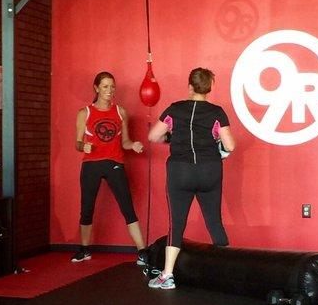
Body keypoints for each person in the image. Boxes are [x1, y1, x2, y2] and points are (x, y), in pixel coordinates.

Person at [147, 67, 235, 289]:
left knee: (176, 224)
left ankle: (167, 275)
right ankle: (228, 273)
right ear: (209, 88)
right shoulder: (217, 111)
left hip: (181, 172)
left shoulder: (175, 109)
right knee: (215, 222)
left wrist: (173, 138)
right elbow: (230, 145)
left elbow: (153, 135)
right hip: (209, 172)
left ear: (189, 86)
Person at [71, 71, 147, 265]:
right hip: (91, 165)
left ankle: (142, 251)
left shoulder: (120, 112)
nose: (109, 90)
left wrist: (134, 145)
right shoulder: (84, 112)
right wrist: (83, 146)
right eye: (105, 86)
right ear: (96, 88)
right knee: (87, 208)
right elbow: (77, 143)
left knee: (127, 208)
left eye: (112, 86)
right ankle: (84, 249)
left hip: (114, 163)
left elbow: (126, 142)